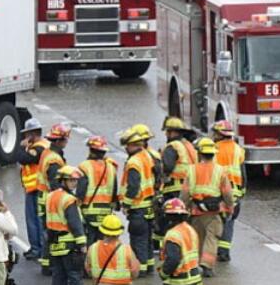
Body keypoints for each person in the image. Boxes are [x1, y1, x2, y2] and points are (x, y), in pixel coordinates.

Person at [180, 137, 233, 277]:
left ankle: (196, 265)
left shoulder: (191, 170)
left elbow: (185, 193)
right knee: (212, 237)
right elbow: (227, 193)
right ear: (213, 153)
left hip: (196, 211)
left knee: (198, 238)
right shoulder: (220, 171)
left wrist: (182, 208)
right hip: (214, 211)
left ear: (199, 153)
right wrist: (230, 206)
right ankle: (207, 265)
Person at [46, 165, 89, 285]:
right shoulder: (69, 199)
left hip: (54, 243)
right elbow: (75, 223)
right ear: (63, 181)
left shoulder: (51, 196)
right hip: (69, 243)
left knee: (58, 275)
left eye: (75, 181)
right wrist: (82, 244)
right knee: (74, 275)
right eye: (71, 181)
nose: (74, 184)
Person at [120, 124, 161, 275]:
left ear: (132, 145)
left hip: (138, 207)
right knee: (147, 239)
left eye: (127, 146)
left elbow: (133, 187)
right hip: (149, 204)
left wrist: (126, 204)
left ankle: (140, 269)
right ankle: (149, 265)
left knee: (138, 240)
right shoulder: (147, 156)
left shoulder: (134, 162)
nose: (125, 149)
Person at [14, 117, 56, 262]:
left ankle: (37, 249)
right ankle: (37, 248)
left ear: (32, 134)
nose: (25, 137)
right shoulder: (43, 145)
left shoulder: (38, 148)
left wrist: (21, 147)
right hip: (36, 188)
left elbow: (22, 158)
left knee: (34, 220)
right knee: (37, 220)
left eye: (26, 134)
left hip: (35, 188)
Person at [157, 117, 197, 253]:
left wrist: (159, 163)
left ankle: (170, 248)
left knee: (169, 220)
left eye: (167, 132)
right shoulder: (189, 146)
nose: (166, 135)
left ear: (173, 132)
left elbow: (167, 167)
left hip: (174, 189)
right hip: (189, 188)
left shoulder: (172, 147)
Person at [40, 123, 72, 275]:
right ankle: (49, 265)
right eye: (65, 139)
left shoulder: (49, 153)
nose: (67, 142)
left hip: (45, 199)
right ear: (59, 140)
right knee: (53, 232)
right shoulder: (54, 159)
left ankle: (47, 263)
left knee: (50, 232)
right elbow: (55, 182)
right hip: (51, 201)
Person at [211, 120, 245, 263]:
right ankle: (224, 252)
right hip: (235, 192)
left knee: (214, 221)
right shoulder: (239, 149)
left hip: (218, 191)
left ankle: (213, 251)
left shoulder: (213, 149)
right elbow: (243, 173)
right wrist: (242, 191)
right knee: (229, 222)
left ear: (219, 134)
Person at [77, 135, 118, 245]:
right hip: (106, 212)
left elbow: (81, 191)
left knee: (90, 242)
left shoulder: (84, 166)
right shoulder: (111, 168)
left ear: (90, 150)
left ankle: (90, 261)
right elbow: (114, 191)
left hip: (89, 211)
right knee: (103, 243)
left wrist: (77, 206)